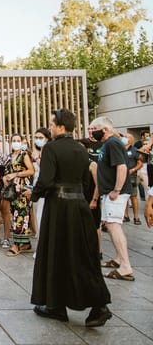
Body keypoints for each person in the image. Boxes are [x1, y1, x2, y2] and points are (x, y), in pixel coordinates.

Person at [31, 108, 112, 327]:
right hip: (79, 206)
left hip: (59, 208)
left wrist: (34, 194)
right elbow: (86, 180)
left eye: (51, 124)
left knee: (56, 254)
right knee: (82, 255)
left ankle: (56, 305)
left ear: (60, 126)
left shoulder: (51, 148)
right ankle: (97, 304)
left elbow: (46, 181)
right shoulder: (80, 148)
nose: (49, 127)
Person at [90, 116, 134, 280]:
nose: (92, 133)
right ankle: (118, 260)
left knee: (113, 225)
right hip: (110, 192)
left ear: (105, 129)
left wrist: (116, 189)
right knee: (113, 224)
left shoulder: (113, 143)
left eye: (94, 129)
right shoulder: (108, 144)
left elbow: (121, 167)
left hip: (115, 193)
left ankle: (125, 266)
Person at [1, 133, 35, 256]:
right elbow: (8, 171)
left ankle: (17, 244)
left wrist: (16, 175)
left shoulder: (24, 155)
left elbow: (31, 170)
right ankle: (25, 243)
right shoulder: (10, 156)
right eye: (13, 140)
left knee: (20, 215)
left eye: (17, 140)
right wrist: (6, 177)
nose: (15, 142)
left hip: (22, 188)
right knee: (15, 214)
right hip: (13, 190)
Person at [30, 127, 51, 241]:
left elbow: (46, 168)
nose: (38, 140)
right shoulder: (36, 151)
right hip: (36, 186)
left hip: (45, 188)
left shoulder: (48, 151)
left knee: (41, 216)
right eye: (36, 138)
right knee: (37, 216)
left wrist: (37, 158)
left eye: (41, 138)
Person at [122, 133, 144, 224]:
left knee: (133, 196)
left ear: (131, 140)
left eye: (126, 137)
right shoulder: (119, 149)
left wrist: (133, 169)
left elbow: (140, 163)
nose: (124, 138)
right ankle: (125, 216)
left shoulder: (135, 151)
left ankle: (136, 217)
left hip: (132, 176)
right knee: (124, 197)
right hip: (122, 176)